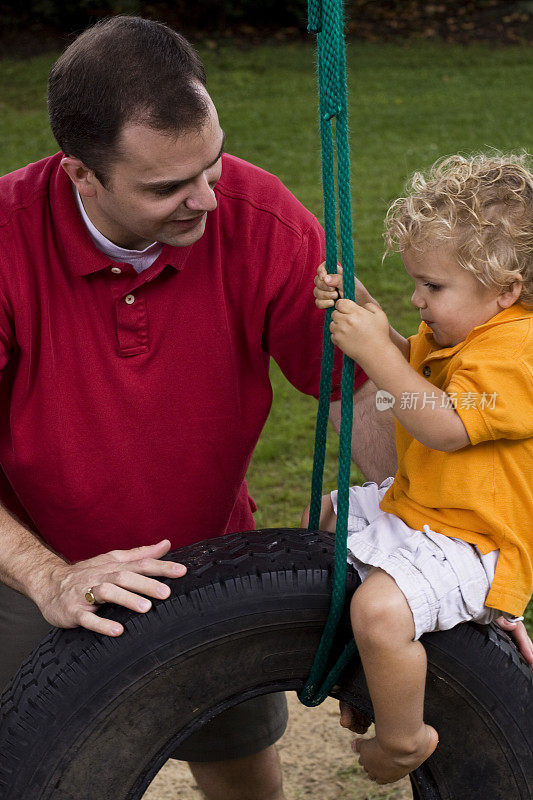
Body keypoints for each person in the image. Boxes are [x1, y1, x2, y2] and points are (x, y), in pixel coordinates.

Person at [0, 15, 398, 800]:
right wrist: (47, 577)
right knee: (42, 773)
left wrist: (440, 556)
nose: (206, 200)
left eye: (211, 165)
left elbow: (369, 386)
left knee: (241, 767)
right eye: (166, 187)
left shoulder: (258, 215)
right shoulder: (6, 239)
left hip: (207, 562)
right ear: (81, 174)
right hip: (26, 565)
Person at [309, 153, 533, 784]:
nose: (418, 299)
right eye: (414, 284)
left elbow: (445, 424)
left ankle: (405, 739)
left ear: (506, 290)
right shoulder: (468, 326)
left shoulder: (518, 351)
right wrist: (370, 318)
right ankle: (369, 675)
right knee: (320, 518)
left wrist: (376, 354)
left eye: (432, 287)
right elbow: (417, 366)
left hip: (474, 540)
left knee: (380, 612)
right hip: (422, 508)